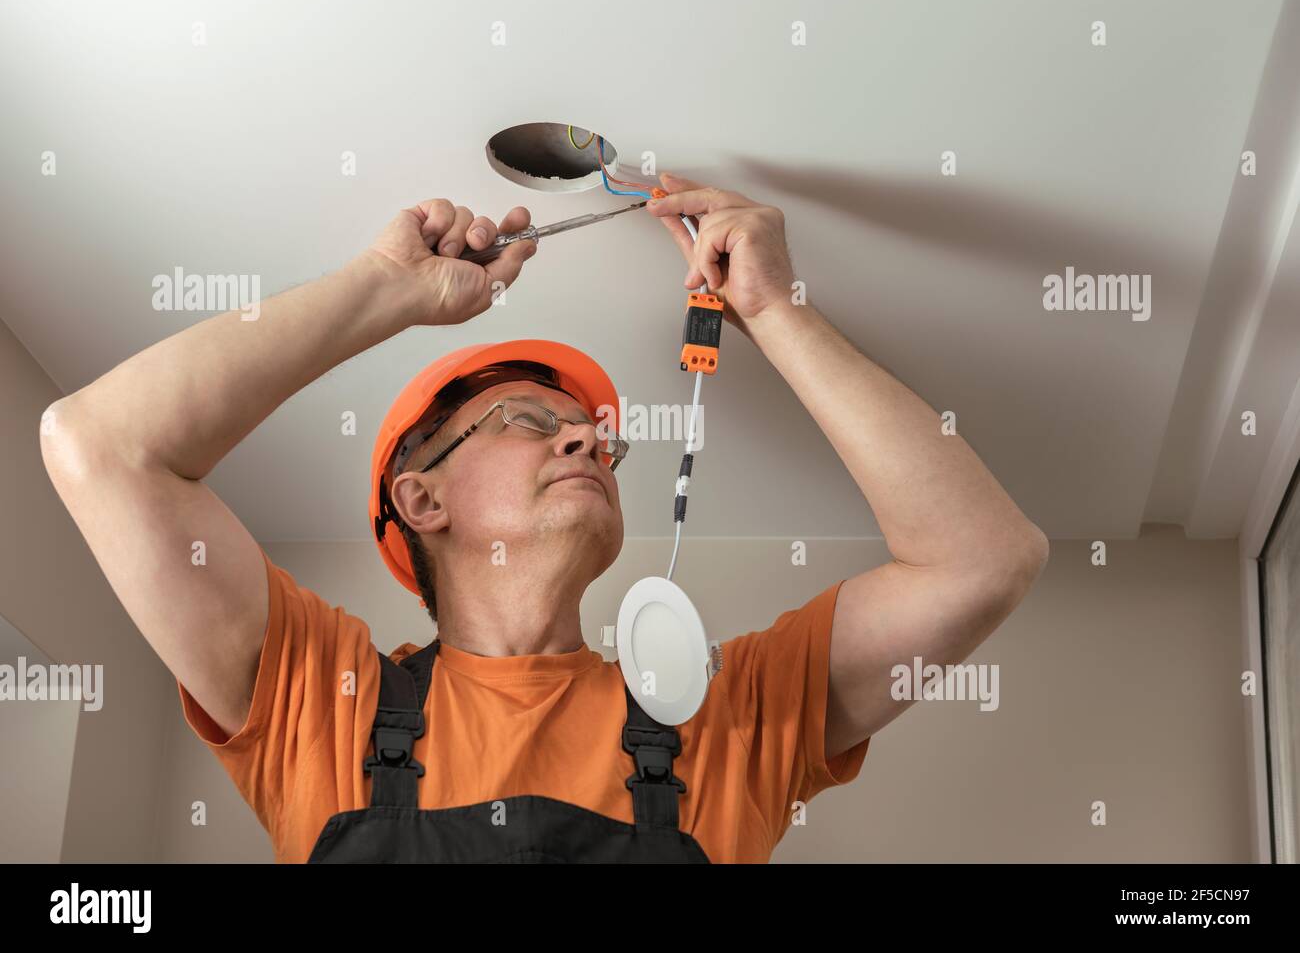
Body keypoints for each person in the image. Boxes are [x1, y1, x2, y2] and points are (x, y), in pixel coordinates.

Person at [40, 172, 1048, 863]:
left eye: (596, 438)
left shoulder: (724, 714)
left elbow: (984, 560)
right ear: (419, 497)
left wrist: (778, 310)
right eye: (530, 422)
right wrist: (381, 292)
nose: (585, 442)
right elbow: (95, 444)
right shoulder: (324, 698)